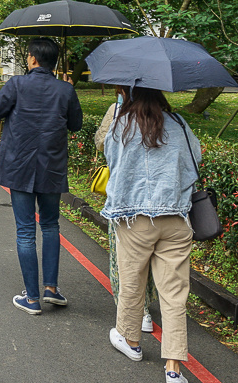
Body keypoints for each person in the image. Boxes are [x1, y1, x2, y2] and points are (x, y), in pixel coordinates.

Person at [0, 37, 83, 315]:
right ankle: (51, 289)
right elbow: (76, 125)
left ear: (33, 59)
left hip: (19, 166)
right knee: (50, 226)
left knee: (25, 231)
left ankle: (32, 298)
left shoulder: (16, 84)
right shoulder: (65, 90)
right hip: (51, 167)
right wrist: (69, 92)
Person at [101, 85, 201, 383]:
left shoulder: (122, 124)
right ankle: (173, 368)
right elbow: (196, 159)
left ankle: (131, 342)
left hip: (134, 218)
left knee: (132, 280)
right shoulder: (180, 123)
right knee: (174, 293)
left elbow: (111, 160)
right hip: (176, 217)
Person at [95, 89, 159, 335]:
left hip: (124, 199)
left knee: (123, 260)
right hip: (156, 201)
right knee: (149, 258)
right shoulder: (167, 117)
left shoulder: (117, 112)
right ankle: (144, 309)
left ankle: (133, 316)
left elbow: (103, 146)